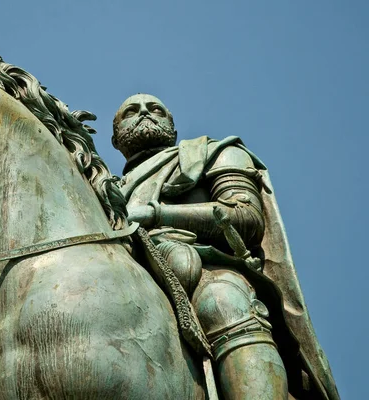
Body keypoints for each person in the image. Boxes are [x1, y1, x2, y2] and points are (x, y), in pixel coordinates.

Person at [113, 93, 339, 399]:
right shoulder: (106, 188)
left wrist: (157, 214)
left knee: (224, 301)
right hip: (128, 269)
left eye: (156, 110)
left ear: (173, 128)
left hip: (206, 268)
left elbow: (245, 218)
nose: (144, 113)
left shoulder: (213, 151)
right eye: (131, 111)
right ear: (115, 138)